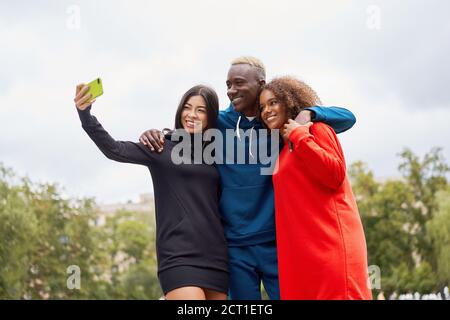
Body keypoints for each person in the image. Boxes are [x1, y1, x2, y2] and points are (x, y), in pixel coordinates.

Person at [140, 56, 357, 300]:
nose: (231, 91)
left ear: (260, 84)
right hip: (233, 246)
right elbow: (189, 126)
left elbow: (348, 117)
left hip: (277, 242)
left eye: (238, 84)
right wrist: (159, 133)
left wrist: (310, 113)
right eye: (228, 85)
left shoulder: (277, 122)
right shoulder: (219, 123)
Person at [73, 83, 229, 300]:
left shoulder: (218, 153)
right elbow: (113, 149)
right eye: (187, 107)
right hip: (178, 257)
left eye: (200, 110)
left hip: (216, 257)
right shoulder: (161, 147)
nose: (191, 114)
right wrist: (85, 115)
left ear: (211, 117)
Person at [259, 76, 372, 300]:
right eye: (262, 106)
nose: (266, 110)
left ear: (289, 102)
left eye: (273, 103)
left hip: (330, 247)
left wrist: (301, 133)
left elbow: (334, 174)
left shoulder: (317, 130)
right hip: (300, 256)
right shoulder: (281, 151)